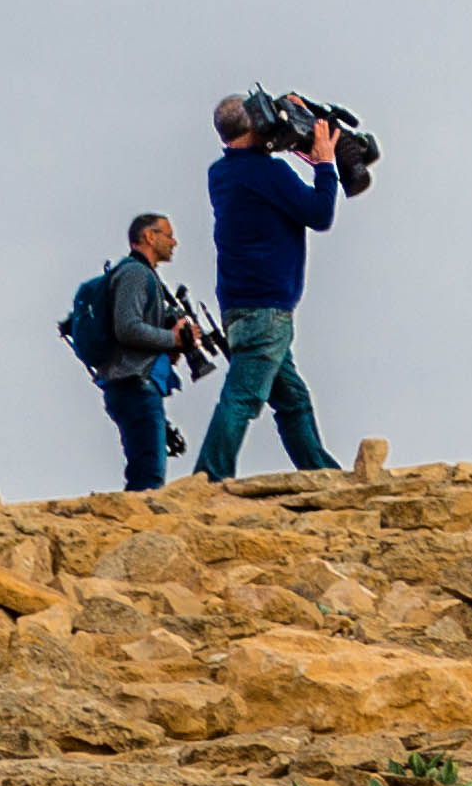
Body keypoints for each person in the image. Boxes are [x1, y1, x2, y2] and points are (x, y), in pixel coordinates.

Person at [192, 101, 343, 483]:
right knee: (243, 395)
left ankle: (320, 473)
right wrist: (324, 162)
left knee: (291, 398)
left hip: (239, 305)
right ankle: (209, 476)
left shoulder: (221, 173)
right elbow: (320, 214)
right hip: (267, 307)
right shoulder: (268, 173)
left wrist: (287, 137)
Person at [71, 210, 206, 493]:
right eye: (168, 235)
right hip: (134, 383)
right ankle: (141, 531)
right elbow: (128, 328)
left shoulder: (143, 276)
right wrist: (172, 339)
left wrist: (173, 346)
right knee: (148, 474)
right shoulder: (134, 273)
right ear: (149, 236)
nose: (174, 243)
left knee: (146, 467)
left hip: (135, 382)